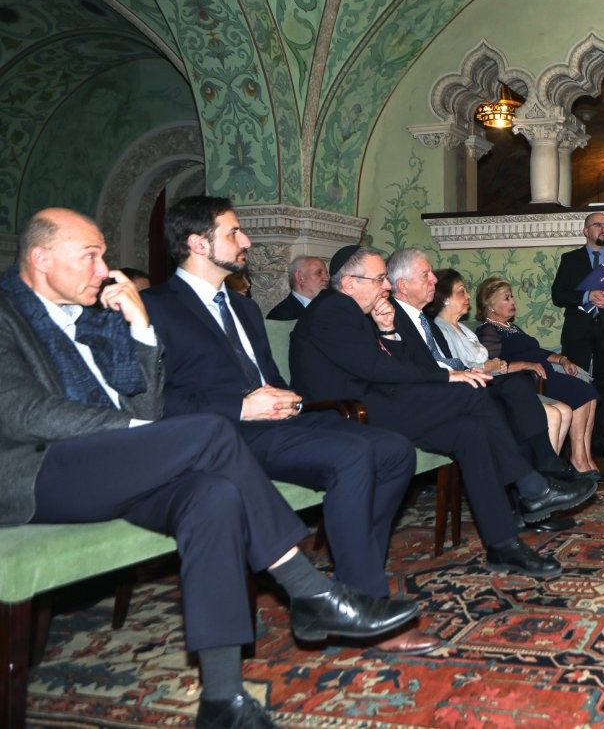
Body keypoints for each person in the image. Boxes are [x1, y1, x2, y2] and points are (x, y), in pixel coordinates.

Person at [0, 208, 419, 728]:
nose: (103, 268)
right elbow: (23, 412)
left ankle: (222, 698)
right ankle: (310, 590)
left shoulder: (99, 317)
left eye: (103, 255)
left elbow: (145, 409)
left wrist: (139, 330)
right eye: (90, 256)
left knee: (214, 498)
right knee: (212, 431)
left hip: (118, 465)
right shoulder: (6, 314)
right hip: (39, 474)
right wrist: (141, 436)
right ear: (40, 258)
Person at [142, 197, 436, 655]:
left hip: (274, 425)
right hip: (221, 436)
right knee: (355, 454)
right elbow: (152, 400)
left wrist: (287, 399)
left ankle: (347, 586)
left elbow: (269, 379)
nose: (247, 239)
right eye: (234, 232)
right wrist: (240, 407)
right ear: (197, 243)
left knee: (395, 449)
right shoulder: (153, 307)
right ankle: (365, 607)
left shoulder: (244, 309)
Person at [289, 245, 598, 578]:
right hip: (352, 415)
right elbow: (376, 369)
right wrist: (448, 375)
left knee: (471, 432)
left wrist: (387, 330)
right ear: (349, 283)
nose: (387, 286)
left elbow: (385, 365)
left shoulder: (353, 312)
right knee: (472, 392)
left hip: (378, 405)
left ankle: (503, 544)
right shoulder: (333, 308)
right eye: (379, 279)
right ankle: (533, 487)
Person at [385, 251, 579, 492]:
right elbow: (444, 365)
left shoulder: (442, 326)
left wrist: (493, 367)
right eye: (426, 275)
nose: (432, 280)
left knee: (517, 389)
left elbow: (462, 362)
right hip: (445, 394)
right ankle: (540, 484)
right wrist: (488, 367)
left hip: (470, 383)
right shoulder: (410, 322)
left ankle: (545, 475)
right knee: (514, 404)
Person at [425, 267, 572, 456]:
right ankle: (547, 474)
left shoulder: (464, 329)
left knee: (565, 411)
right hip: (483, 391)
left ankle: (554, 473)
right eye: (462, 291)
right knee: (551, 412)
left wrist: (561, 359)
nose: (468, 296)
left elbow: (495, 363)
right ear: (445, 298)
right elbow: (467, 368)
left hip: (497, 382)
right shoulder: (442, 330)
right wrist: (495, 365)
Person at [477, 275, 603, 480]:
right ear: (490, 305)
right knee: (582, 393)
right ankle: (578, 460)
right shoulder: (488, 331)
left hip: (546, 373)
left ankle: (585, 458)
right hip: (532, 382)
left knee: (589, 393)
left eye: (512, 297)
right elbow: (490, 365)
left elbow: (537, 351)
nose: (513, 302)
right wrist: (526, 365)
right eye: (506, 298)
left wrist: (562, 360)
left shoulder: (512, 327)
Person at [550, 211, 604, 458]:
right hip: (578, 332)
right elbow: (558, 295)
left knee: (602, 386)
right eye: (597, 225)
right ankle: (570, 441)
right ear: (586, 231)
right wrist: (586, 296)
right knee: (575, 384)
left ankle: (596, 441)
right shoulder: (570, 260)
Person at [266, 255, 329, 321]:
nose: (326, 278)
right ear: (300, 277)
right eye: (319, 273)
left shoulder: (330, 308)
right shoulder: (280, 315)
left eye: (326, 273)